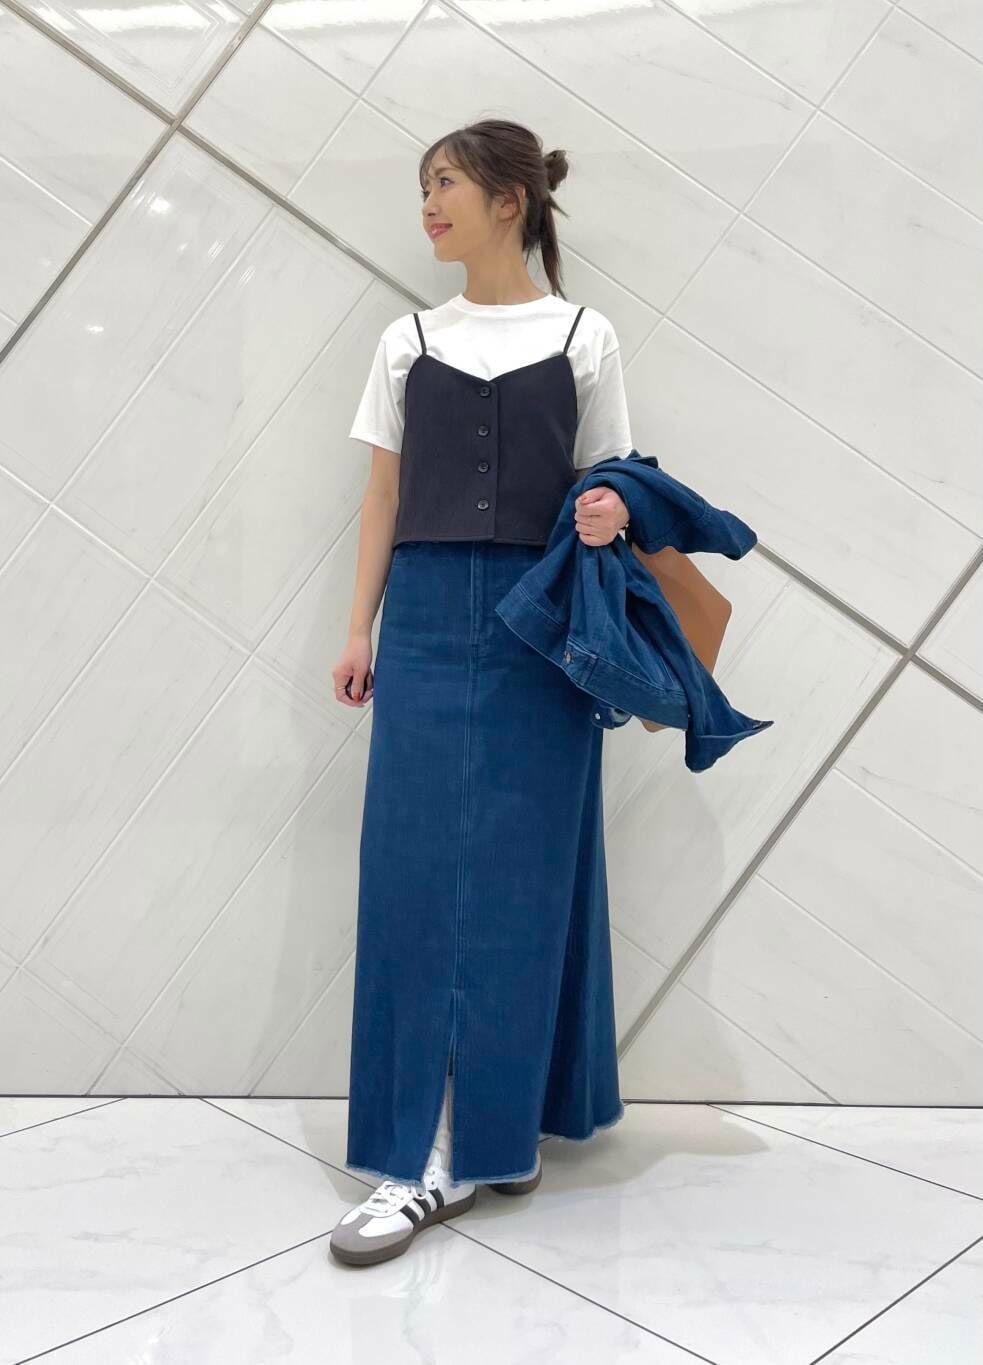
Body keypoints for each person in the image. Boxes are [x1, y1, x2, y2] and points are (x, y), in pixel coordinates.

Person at [329, 118, 633, 1269]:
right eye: (423, 184)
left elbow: (613, 479)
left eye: (445, 182)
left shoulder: (584, 335)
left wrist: (607, 508)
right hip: (421, 626)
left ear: (510, 201)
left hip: (539, 633)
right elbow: (379, 498)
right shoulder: (406, 340)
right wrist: (357, 628)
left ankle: (491, 1136)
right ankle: (419, 1153)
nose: (427, 202)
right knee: (416, 881)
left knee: (520, 884)